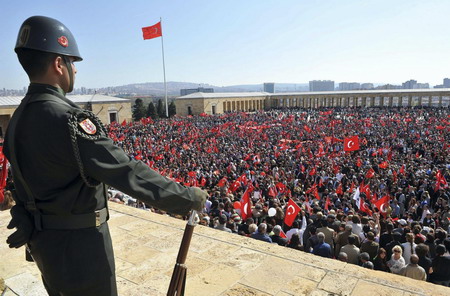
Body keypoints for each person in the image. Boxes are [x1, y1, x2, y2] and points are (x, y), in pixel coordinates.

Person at [4, 16, 207, 296]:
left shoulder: (18, 119)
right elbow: (125, 170)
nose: (74, 69)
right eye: (72, 62)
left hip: (44, 245)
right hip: (81, 251)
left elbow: (21, 180)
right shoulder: (69, 119)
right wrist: (187, 198)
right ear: (58, 64)